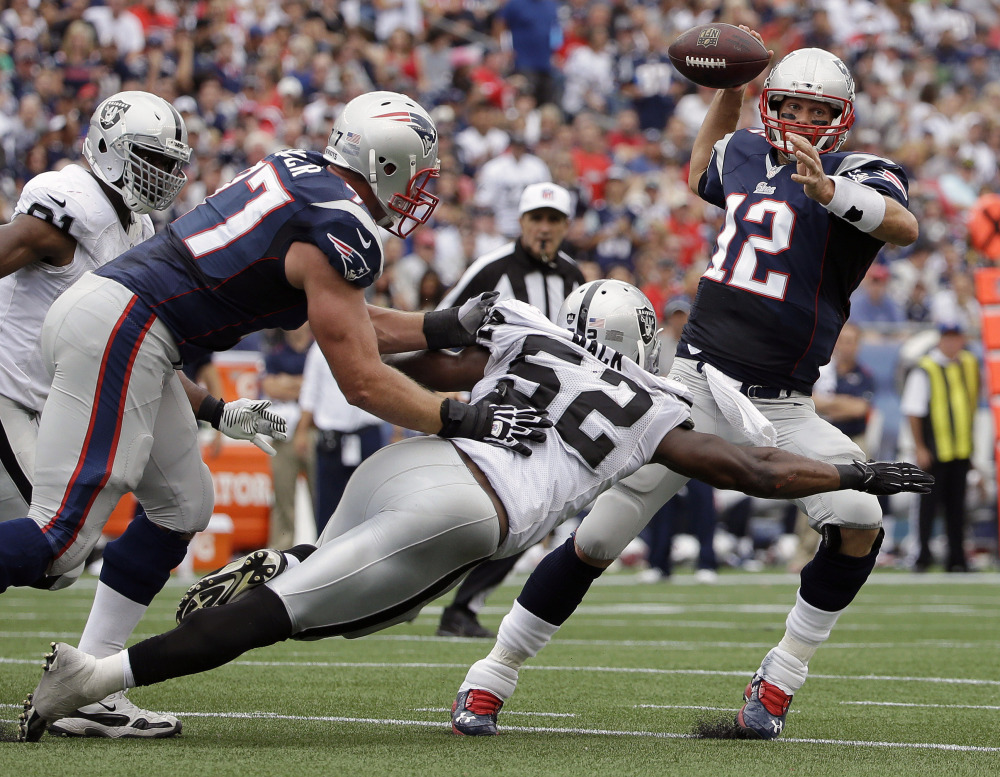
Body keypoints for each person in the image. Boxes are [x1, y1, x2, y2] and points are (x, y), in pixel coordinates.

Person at [17, 281, 932, 742]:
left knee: (359, 603)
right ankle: (91, 682)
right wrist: (857, 474)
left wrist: (298, 299)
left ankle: (300, 564)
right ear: (644, 340)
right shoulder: (655, 405)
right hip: (468, 509)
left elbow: (393, 334)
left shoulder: (522, 324)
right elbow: (757, 469)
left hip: (416, 459)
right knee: (294, 617)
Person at [448, 41, 922, 740]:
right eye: (791, 105)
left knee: (858, 517)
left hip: (783, 403)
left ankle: (779, 678)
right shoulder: (746, 154)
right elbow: (703, 166)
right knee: (599, 536)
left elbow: (904, 226)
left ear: (841, 117)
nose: (803, 119)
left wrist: (829, 192)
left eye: (819, 110)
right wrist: (728, 92)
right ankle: (490, 676)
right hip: (693, 385)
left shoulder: (863, 174)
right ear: (774, 105)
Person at [0, 91, 542, 650]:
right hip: (122, 327)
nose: (418, 189)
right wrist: (465, 419)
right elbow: (360, 379)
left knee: (184, 504)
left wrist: (444, 325)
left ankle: (90, 673)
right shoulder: (340, 225)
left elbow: (347, 318)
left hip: (131, 325)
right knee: (61, 539)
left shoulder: (297, 171)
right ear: (383, 164)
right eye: (414, 173)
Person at [0, 90, 207, 738]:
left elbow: (144, 355)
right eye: (151, 158)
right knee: (58, 548)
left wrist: (233, 413)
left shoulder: (137, 228)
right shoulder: (75, 200)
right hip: (16, 397)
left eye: (173, 162)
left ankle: (88, 685)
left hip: (65, 405)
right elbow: (14, 243)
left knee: (181, 503)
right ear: (111, 151)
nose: (167, 175)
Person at [435, 182, 584, 638]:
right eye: (536, 219)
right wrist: (453, 389)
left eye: (553, 220)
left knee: (532, 513)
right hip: (492, 407)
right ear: (521, 223)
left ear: (565, 226)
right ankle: (446, 599)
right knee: (497, 510)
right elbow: (440, 321)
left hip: (549, 413)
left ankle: (462, 606)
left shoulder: (573, 277)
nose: (544, 228)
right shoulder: (491, 268)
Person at [901, 322, 979, 573]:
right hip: (935, 449)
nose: (952, 344)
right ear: (940, 340)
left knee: (958, 507)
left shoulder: (968, 364)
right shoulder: (926, 368)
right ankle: (922, 555)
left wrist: (971, 446)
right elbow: (913, 411)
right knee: (928, 507)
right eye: (948, 338)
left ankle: (957, 557)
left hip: (960, 448)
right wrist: (920, 447)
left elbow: (970, 406)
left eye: (956, 338)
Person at [294, 340, 385, 536]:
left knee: (370, 499)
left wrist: (396, 430)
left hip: (366, 432)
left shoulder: (371, 340)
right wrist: (301, 431)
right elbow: (310, 391)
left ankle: (369, 555)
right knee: (328, 504)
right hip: (332, 435)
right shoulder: (319, 349)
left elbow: (389, 385)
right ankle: (324, 555)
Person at [260, 324, 315, 550]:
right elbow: (271, 388)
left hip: (314, 430)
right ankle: (280, 552)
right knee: (282, 498)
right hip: (283, 432)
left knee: (322, 497)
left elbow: (320, 387)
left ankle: (329, 548)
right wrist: (304, 385)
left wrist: (288, 382)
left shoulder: (317, 351)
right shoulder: (276, 353)